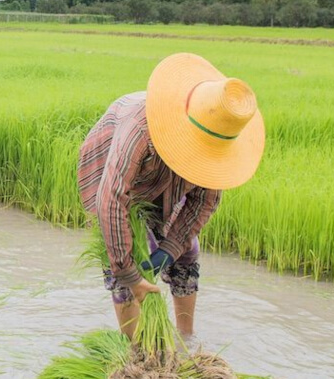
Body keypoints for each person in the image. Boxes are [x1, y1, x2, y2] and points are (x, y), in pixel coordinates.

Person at [77, 53, 265, 339]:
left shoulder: (217, 139)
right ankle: (137, 353)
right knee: (124, 259)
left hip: (163, 181)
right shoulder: (140, 129)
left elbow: (205, 201)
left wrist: (169, 249)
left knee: (186, 251)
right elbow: (112, 201)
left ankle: (186, 340)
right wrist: (131, 276)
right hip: (110, 169)